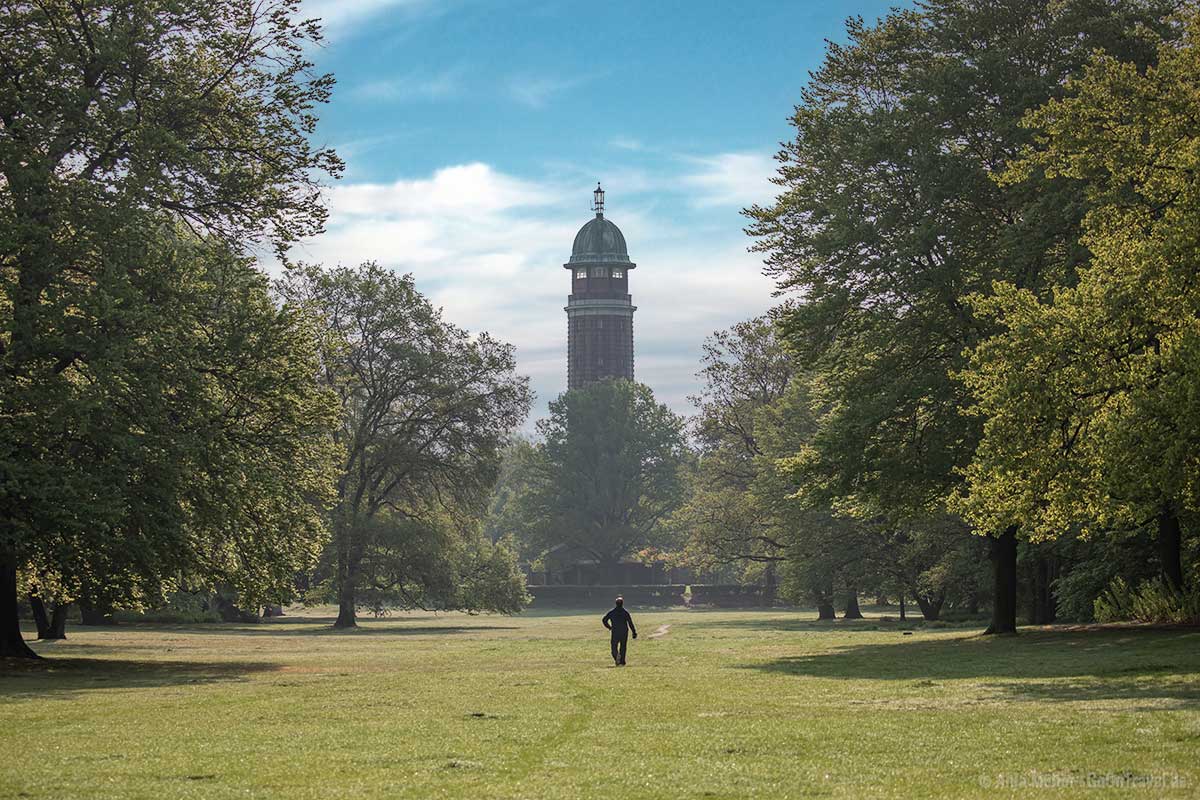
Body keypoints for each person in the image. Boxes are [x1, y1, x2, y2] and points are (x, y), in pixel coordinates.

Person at [602, 596, 637, 666]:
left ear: (616, 603)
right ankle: (622, 661)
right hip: (624, 632)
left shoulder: (612, 612)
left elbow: (604, 620)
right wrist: (634, 632)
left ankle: (616, 656)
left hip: (615, 631)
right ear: (622, 603)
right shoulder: (625, 612)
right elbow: (630, 623)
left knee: (614, 647)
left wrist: (609, 627)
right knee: (623, 647)